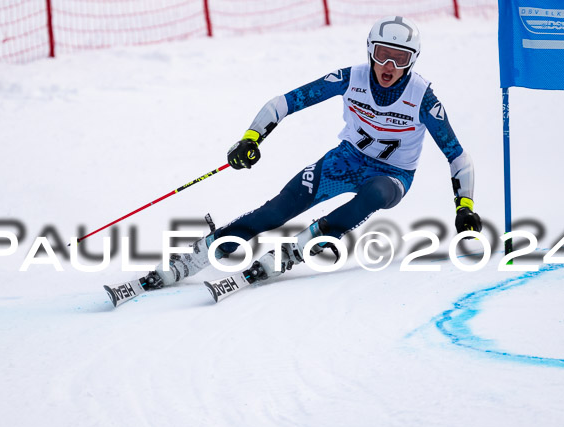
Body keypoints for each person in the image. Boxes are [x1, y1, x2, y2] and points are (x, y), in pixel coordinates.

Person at [143, 15, 482, 290]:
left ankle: (307, 242)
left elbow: (458, 156)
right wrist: (251, 138)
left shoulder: (422, 97)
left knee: (376, 192)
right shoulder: (353, 78)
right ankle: (197, 256)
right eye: (382, 54)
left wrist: (464, 206)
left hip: (392, 176)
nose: (389, 65)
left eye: (401, 58)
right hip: (345, 161)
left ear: (412, 61)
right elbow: (285, 102)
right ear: (369, 52)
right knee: (276, 210)